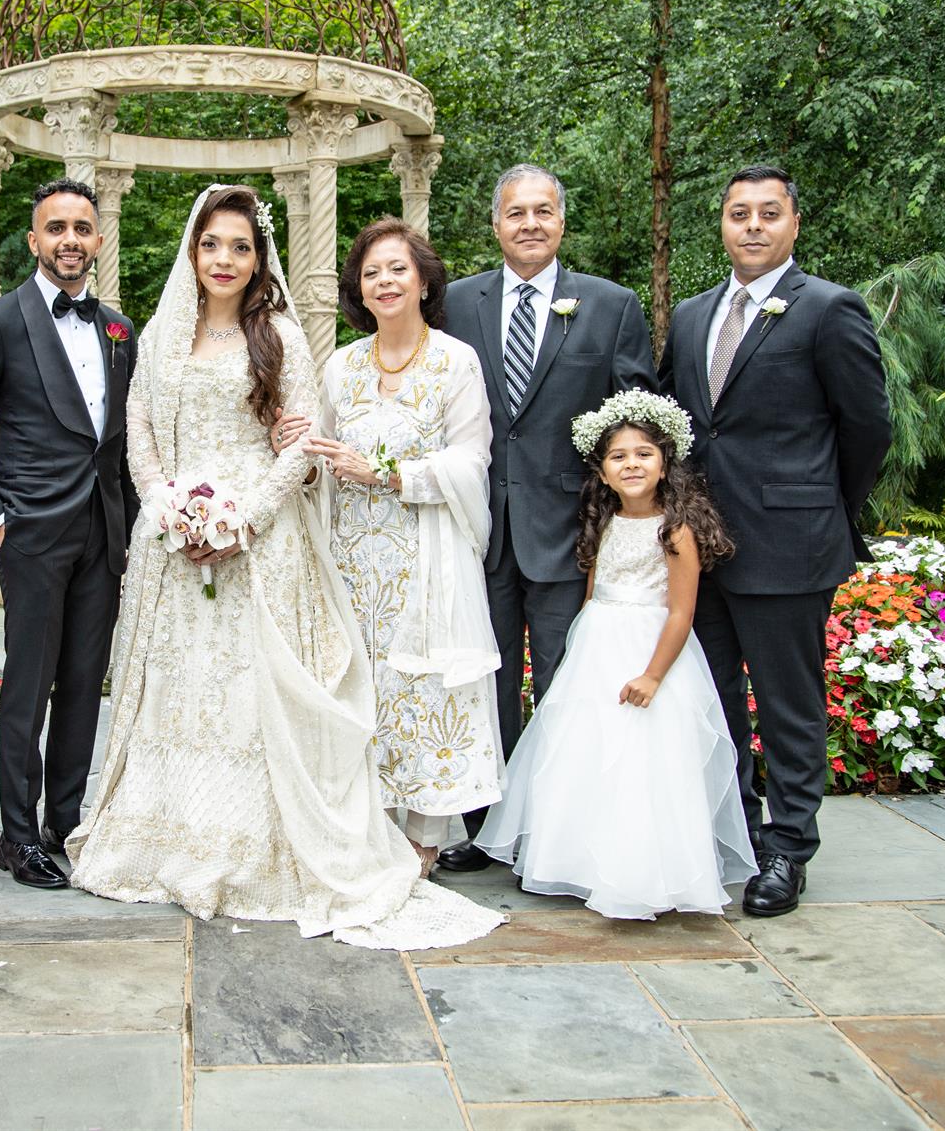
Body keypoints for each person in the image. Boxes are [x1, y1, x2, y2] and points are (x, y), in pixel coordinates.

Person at [65, 184, 503, 951]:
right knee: (181, 693)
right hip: (175, 550)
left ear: (258, 256)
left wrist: (243, 519)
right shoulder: (161, 335)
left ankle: (261, 846)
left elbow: (301, 443)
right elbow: (139, 432)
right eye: (211, 244)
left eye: (240, 246)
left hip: (260, 548)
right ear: (193, 250)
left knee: (253, 698)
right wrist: (167, 508)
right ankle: (167, 834)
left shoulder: (282, 338)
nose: (224, 258)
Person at [659, 164, 891, 917]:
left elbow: (867, 427)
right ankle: (741, 831)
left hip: (790, 544)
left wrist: (820, 505)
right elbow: (678, 423)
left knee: (790, 704)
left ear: (794, 222)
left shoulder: (828, 308)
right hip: (701, 547)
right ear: (722, 224)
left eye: (768, 213)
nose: (752, 226)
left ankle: (790, 847)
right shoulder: (692, 316)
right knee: (715, 699)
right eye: (739, 213)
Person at [434, 165, 657, 873]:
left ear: (562, 220)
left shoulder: (611, 305)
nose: (529, 223)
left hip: (571, 532)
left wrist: (625, 523)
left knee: (566, 684)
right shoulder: (455, 303)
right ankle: (487, 828)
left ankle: (562, 833)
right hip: (478, 531)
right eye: (515, 212)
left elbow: (638, 425)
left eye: (542, 211)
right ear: (495, 224)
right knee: (486, 684)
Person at [0, 179, 138, 890]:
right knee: (27, 686)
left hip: (103, 533)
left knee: (83, 683)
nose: (70, 240)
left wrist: (133, 527)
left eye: (82, 228)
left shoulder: (119, 330)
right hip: (31, 534)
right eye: (56, 228)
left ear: (97, 239)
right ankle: (17, 836)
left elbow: (121, 442)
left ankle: (64, 820)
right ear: (33, 240)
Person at [477, 392, 756, 918]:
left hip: (648, 649)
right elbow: (592, 594)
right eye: (618, 456)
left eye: (644, 454)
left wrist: (653, 675)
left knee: (642, 755)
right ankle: (579, 861)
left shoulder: (675, 530)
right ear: (602, 473)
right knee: (585, 748)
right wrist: (579, 649)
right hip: (597, 649)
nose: (632, 464)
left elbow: (681, 613)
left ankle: (641, 868)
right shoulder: (603, 521)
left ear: (665, 464)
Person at [292, 219, 501, 878]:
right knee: (361, 686)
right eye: (371, 272)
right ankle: (367, 825)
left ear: (424, 281)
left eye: (397, 269)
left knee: (423, 685)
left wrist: (388, 474)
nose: (384, 281)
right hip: (352, 558)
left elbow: (471, 460)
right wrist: (300, 457)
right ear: (358, 288)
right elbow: (322, 458)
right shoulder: (341, 366)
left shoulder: (455, 361)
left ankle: (424, 836)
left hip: (426, 555)